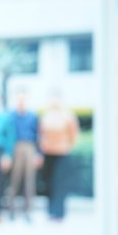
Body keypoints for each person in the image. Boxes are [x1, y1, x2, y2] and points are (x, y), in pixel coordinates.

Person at [39, 93, 79, 221]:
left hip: (62, 153)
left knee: (60, 184)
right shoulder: (46, 116)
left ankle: (60, 213)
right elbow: (41, 134)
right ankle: (51, 212)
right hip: (48, 153)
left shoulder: (68, 116)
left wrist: (68, 145)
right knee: (49, 183)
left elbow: (74, 134)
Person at [5, 90, 43, 221]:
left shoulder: (33, 116)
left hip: (30, 147)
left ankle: (28, 210)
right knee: (14, 179)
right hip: (16, 146)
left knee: (29, 180)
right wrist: (8, 154)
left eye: (23, 99)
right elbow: (8, 134)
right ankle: (11, 209)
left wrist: (39, 153)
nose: (21, 101)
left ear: (27, 100)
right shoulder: (11, 116)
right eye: (19, 98)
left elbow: (39, 135)